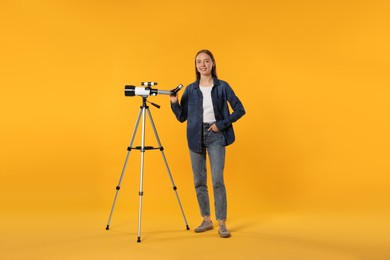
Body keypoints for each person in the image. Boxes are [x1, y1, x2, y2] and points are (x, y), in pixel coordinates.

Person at [170, 49, 246, 238]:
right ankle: (206, 219)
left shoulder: (222, 86)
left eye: (206, 61)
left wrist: (220, 125)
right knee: (199, 181)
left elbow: (239, 109)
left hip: (215, 136)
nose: (202, 65)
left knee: (217, 179)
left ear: (213, 63)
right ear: (195, 66)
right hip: (195, 136)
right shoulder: (190, 89)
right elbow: (182, 117)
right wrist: (174, 102)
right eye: (198, 62)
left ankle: (222, 223)